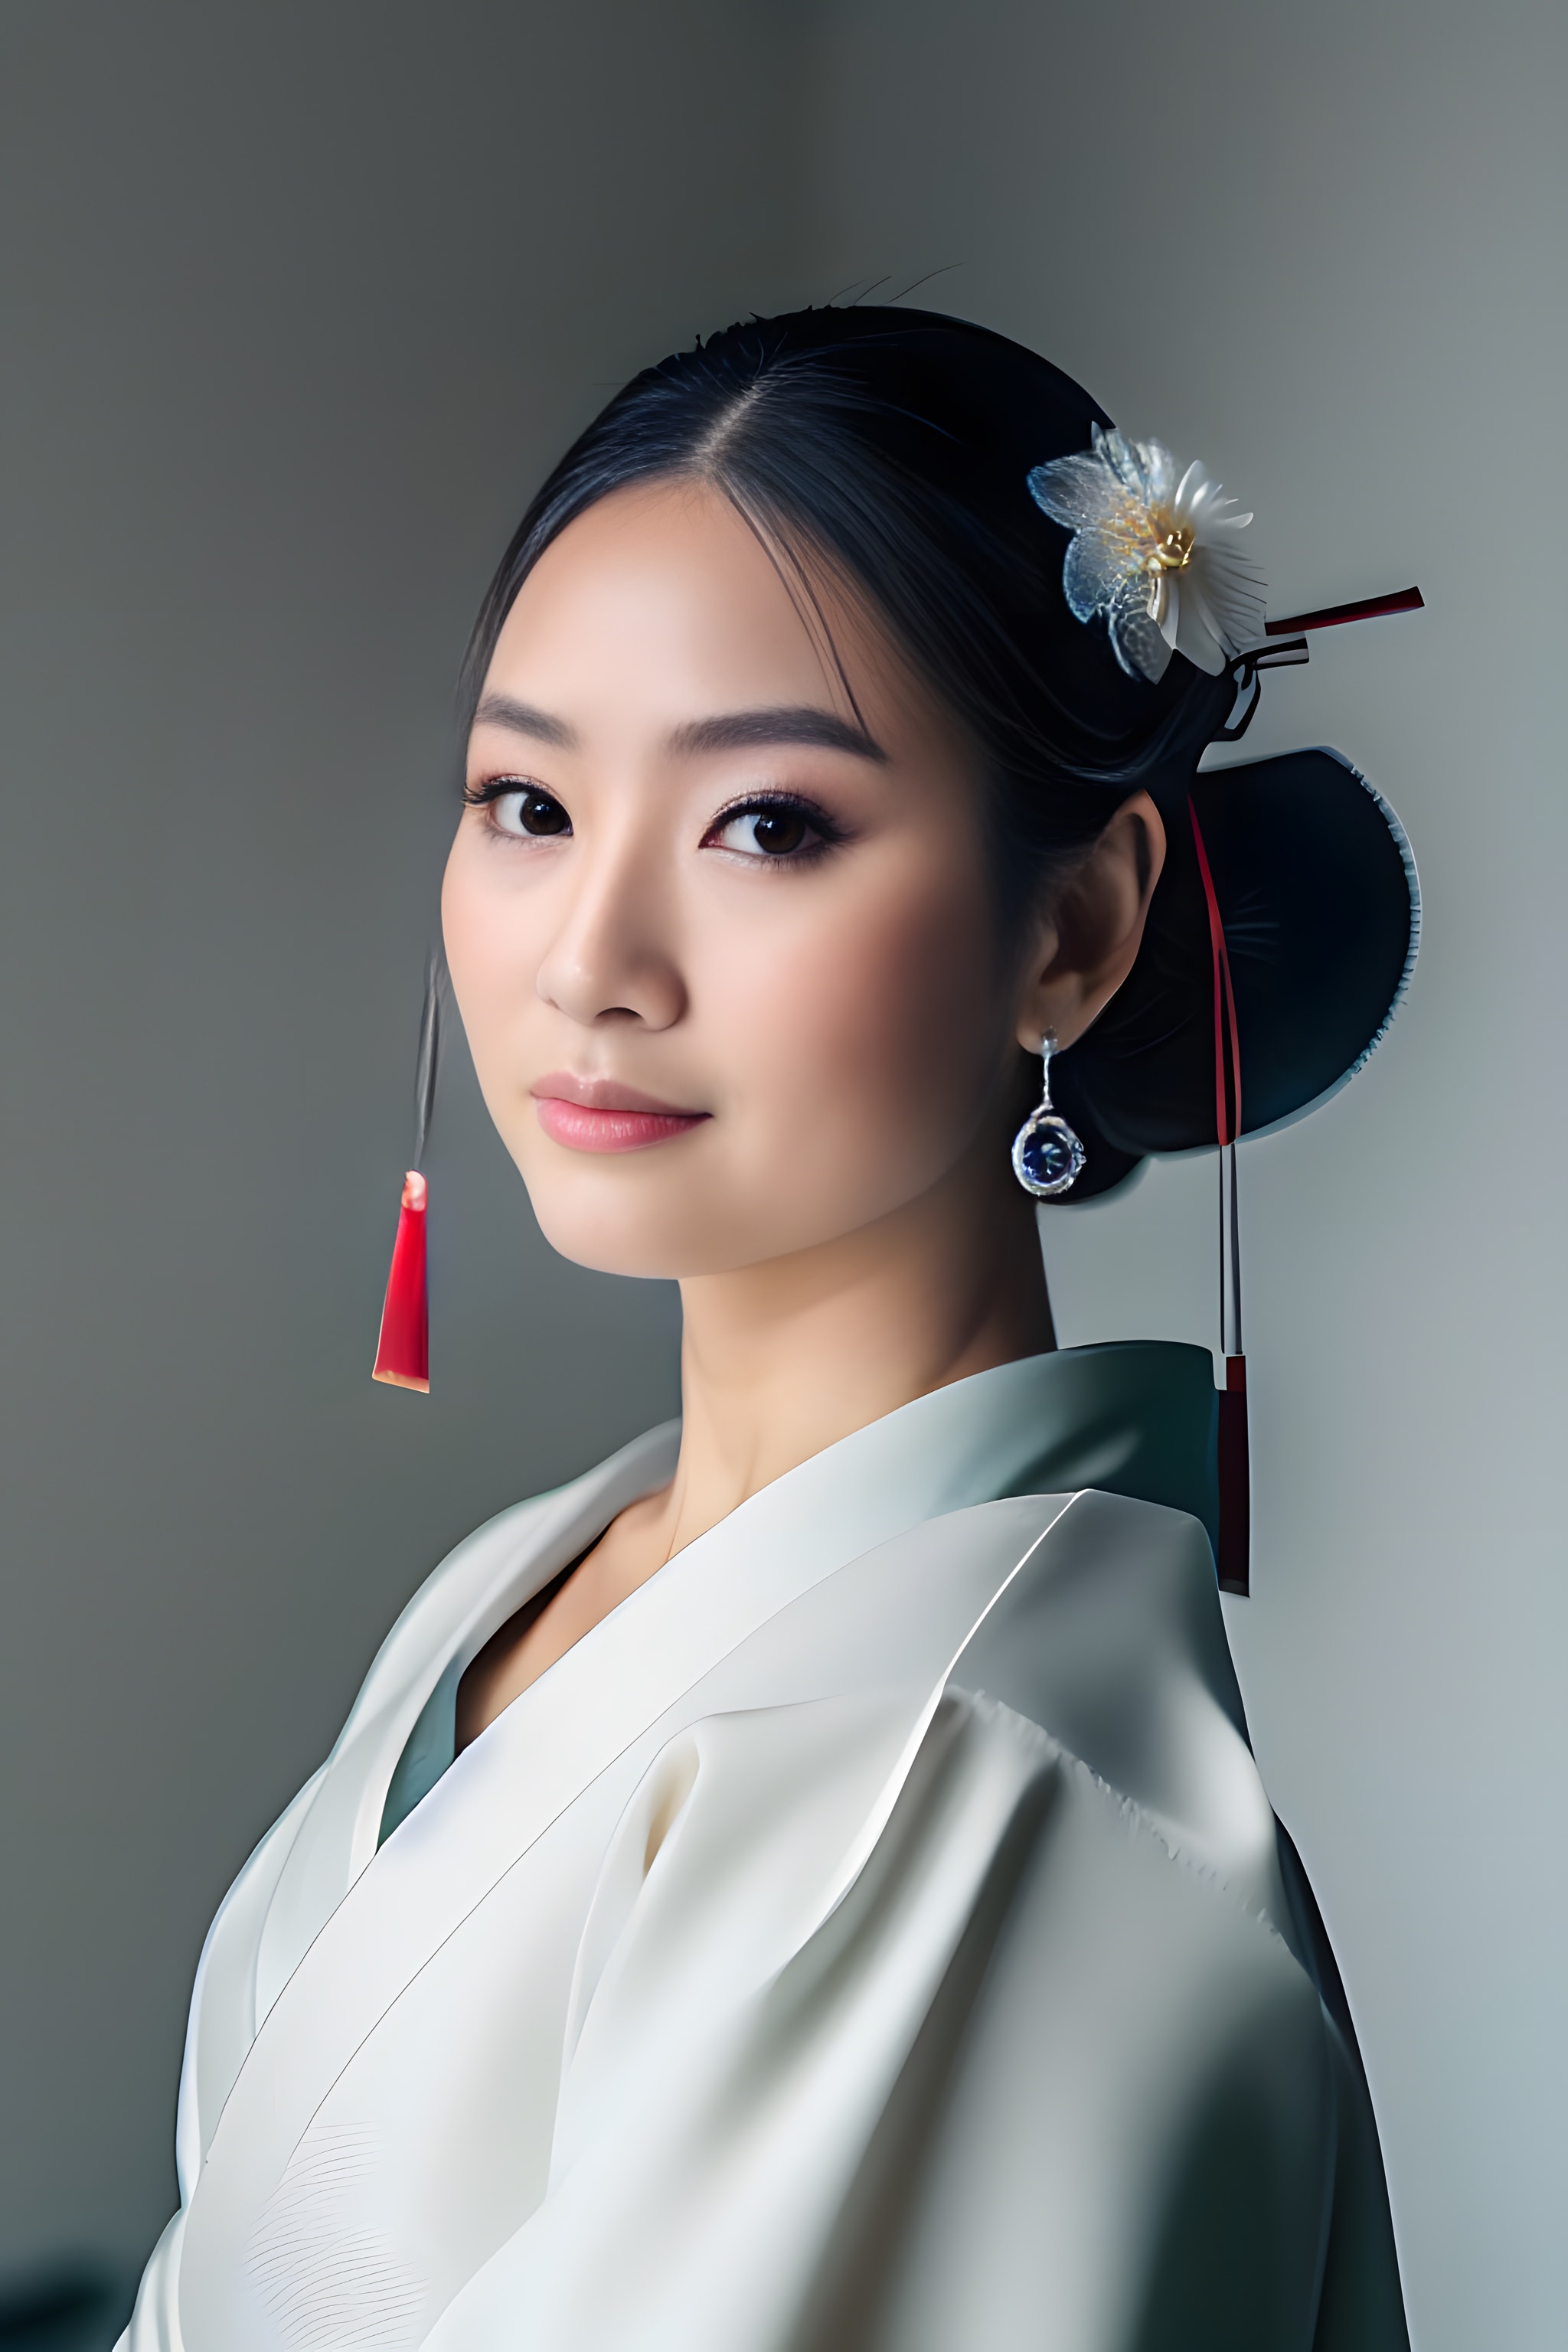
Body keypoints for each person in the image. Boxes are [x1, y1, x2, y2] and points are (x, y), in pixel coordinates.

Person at [121, 308, 1415, 2350]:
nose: (593, 964)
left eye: (767, 825)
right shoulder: (530, 1573)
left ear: (1072, 930)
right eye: (527, 805)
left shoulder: (993, 1790)